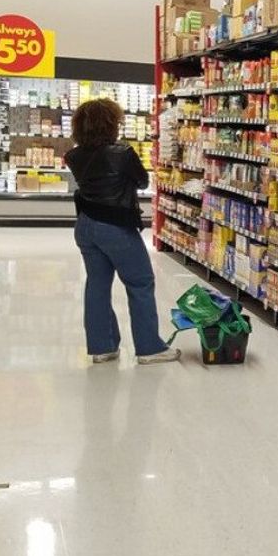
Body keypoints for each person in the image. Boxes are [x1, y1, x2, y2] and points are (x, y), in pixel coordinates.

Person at [65, 99, 180, 365]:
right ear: (110, 124)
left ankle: (102, 347)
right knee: (140, 282)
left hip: (85, 225)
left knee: (97, 284)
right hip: (115, 225)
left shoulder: (73, 155)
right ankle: (149, 348)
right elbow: (143, 181)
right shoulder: (123, 152)